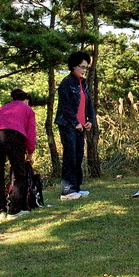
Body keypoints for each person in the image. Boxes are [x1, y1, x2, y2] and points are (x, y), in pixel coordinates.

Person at [0, 89, 37, 220]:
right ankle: (14, 210)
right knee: (19, 172)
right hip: (13, 135)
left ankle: (0, 210)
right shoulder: (27, 109)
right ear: (26, 100)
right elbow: (31, 134)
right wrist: (30, 152)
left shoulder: (2, 108)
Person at [54, 51, 95, 200]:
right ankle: (67, 190)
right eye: (82, 66)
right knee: (70, 156)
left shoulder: (83, 84)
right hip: (68, 125)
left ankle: (76, 187)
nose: (84, 70)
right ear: (73, 66)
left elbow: (88, 104)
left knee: (78, 156)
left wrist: (90, 120)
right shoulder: (67, 82)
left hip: (81, 125)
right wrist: (75, 122)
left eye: (86, 67)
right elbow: (65, 107)